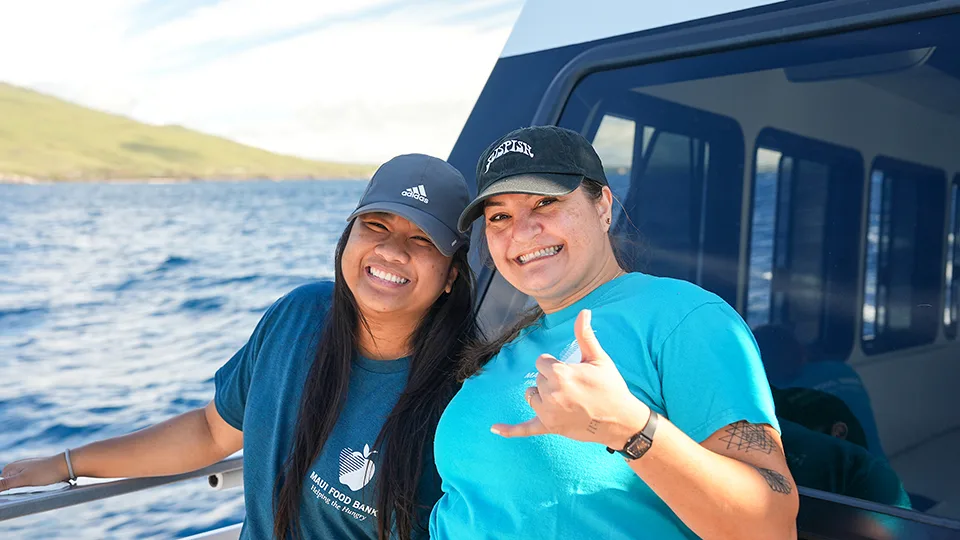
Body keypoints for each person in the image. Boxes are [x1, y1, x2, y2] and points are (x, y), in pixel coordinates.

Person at [0, 154, 480, 540]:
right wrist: (67, 464)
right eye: (376, 225)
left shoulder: (466, 392)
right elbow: (212, 432)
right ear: (348, 237)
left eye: (422, 240)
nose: (392, 251)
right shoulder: (298, 314)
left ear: (450, 276)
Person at [430, 126, 799, 540]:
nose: (522, 230)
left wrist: (630, 428)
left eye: (546, 202)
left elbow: (772, 527)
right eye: (500, 216)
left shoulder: (686, 317)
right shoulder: (510, 344)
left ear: (603, 206)